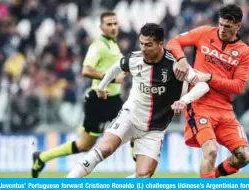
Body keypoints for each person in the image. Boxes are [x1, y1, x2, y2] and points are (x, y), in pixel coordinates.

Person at [66, 23, 209, 178]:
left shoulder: (175, 64)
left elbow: (203, 86)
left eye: (148, 45)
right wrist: (102, 86)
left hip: (155, 129)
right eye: (141, 43)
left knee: (144, 175)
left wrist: (184, 100)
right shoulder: (135, 59)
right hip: (130, 117)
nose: (143, 48)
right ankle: (69, 181)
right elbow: (116, 67)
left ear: (160, 44)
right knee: (105, 148)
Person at [31, 11, 127, 178]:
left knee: (134, 126)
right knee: (84, 145)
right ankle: (42, 157)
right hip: (99, 101)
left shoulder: (114, 45)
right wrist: (112, 78)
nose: (113, 27)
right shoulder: (98, 46)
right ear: (101, 27)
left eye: (115, 23)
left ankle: (142, 176)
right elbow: (86, 70)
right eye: (108, 24)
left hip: (114, 100)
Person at [166, 4, 249, 178]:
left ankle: (211, 179)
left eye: (228, 26)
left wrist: (210, 77)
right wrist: (181, 59)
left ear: (238, 26)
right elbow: (173, 42)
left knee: (244, 156)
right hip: (199, 104)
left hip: (225, 109)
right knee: (211, 150)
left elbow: (238, 86)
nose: (222, 29)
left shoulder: (244, 51)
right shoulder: (205, 33)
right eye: (221, 24)